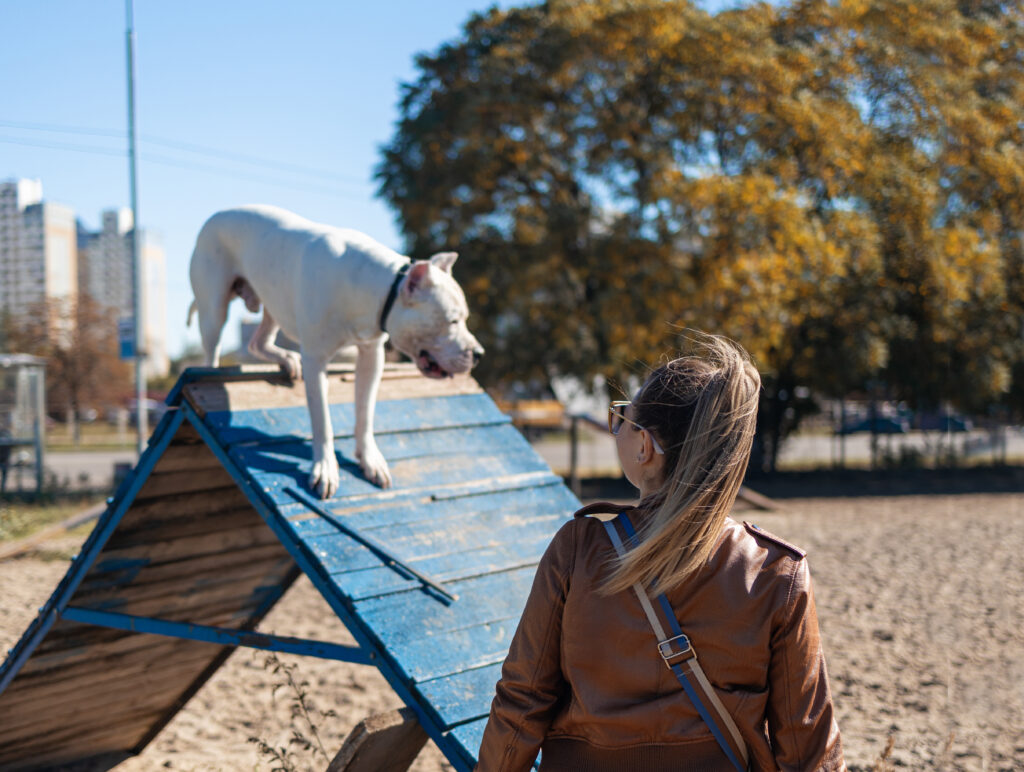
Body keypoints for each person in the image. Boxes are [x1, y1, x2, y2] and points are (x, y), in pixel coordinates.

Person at [475, 333, 844, 771]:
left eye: (623, 420)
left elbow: (523, 699)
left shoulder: (577, 549)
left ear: (645, 446)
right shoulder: (776, 571)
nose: (617, 430)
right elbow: (807, 749)